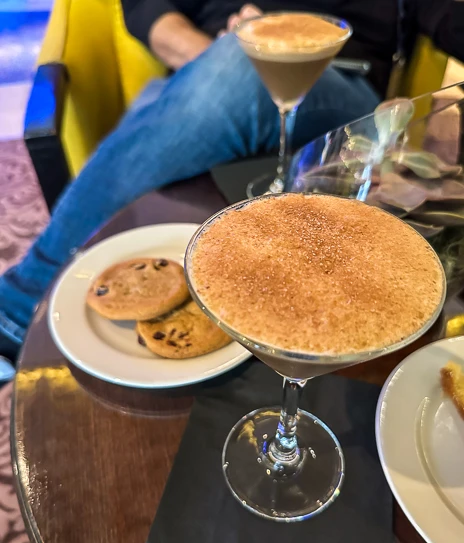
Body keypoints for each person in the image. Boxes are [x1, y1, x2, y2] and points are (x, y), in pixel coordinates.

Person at [1, 0, 464, 370]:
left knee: (234, 70)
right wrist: (224, 57)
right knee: (229, 70)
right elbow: (146, 7)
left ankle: (16, 308)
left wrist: (242, 63)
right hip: (203, 68)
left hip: (341, 83)